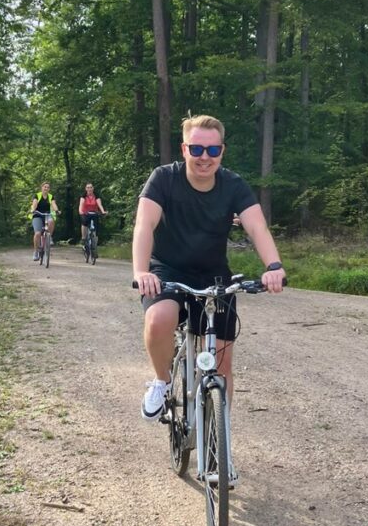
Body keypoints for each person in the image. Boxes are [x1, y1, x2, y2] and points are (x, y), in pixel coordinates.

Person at [132, 114, 285, 421]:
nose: (205, 157)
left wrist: (274, 266)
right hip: (168, 271)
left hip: (215, 276)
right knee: (159, 318)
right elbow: (144, 225)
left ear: (222, 151)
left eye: (213, 150)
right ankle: (162, 382)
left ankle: (219, 434)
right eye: (197, 149)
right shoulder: (164, 178)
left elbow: (257, 227)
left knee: (222, 365)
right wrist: (141, 271)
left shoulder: (233, 185)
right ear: (184, 149)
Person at [29, 181, 60, 260]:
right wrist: (33, 209)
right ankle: (36, 252)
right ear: (42, 188)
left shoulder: (51, 196)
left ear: (49, 189)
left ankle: (49, 237)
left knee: (51, 221)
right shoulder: (37, 195)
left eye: (48, 187)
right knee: (37, 233)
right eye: (45, 187)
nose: (46, 188)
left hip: (47, 214)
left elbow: (53, 204)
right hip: (37, 215)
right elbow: (35, 203)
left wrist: (56, 210)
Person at [78, 183, 108, 249]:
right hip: (85, 213)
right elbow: (81, 204)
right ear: (86, 189)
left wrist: (103, 211)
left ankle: (95, 245)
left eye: (91, 187)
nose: (89, 189)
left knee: (96, 227)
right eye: (88, 187)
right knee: (84, 222)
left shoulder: (96, 196)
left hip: (94, 213)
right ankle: (83, 238)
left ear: (93, 188)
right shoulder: (83, 196)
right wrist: (80, 211)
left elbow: (100, 205)